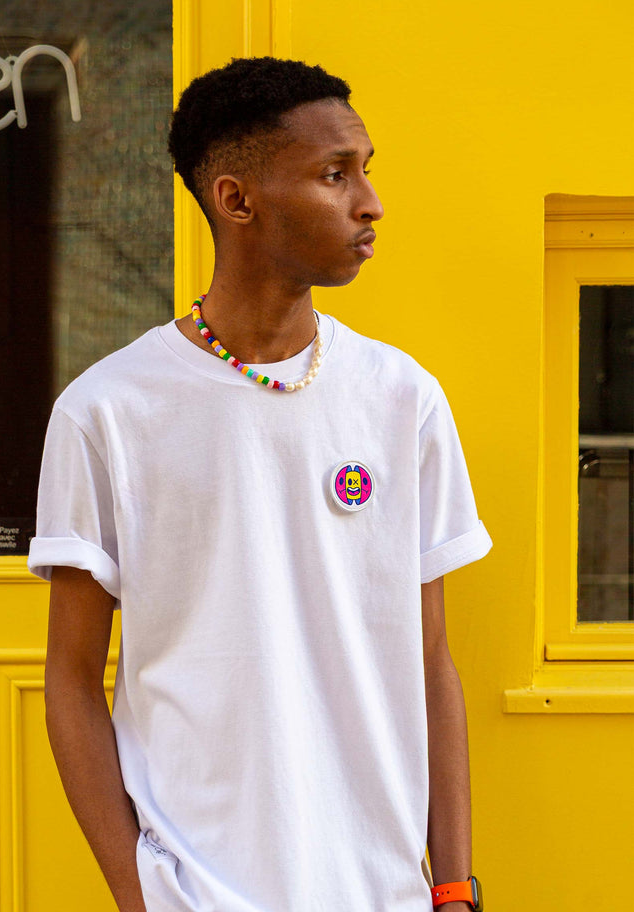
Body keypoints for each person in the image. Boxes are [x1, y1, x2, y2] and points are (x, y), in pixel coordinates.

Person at [29, 57, 492, 912]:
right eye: (332, 174)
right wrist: (139, 895)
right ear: (236, 201)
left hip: (380, 889)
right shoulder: (108, 412)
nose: (369, 202)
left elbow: (429, 659)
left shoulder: (402, 398)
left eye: (366, 170)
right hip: (196, 891)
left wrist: (454, 883)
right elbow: (70, 679)